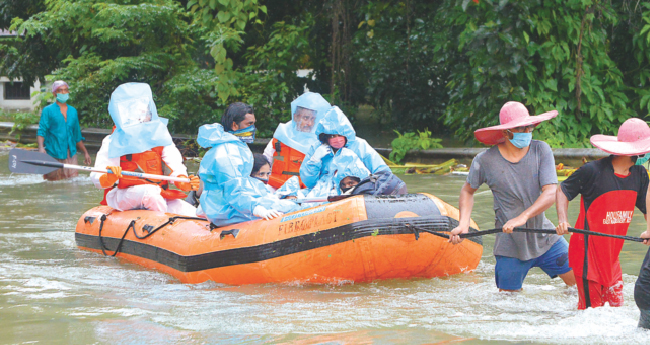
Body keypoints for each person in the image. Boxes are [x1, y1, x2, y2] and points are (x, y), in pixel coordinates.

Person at [449, 101, 575, 292]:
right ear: (506, 132)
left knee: (582, 284)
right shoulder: (484, 161)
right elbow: (467, 191)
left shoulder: (541, 150)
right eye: (520, 127)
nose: (526, 131)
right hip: (510, 245)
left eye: (529, 126)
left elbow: (551, 192)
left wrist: (523, 217)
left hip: (545, 236)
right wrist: (463, 224)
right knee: (508, 304)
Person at [556, 118, 650, 310]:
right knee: (592, 315)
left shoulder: (640, 175)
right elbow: (562, 190)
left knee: (617, 311)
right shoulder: (592, 171)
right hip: (587, 257)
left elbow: (647, 207)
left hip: (612, 259)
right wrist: (563, 220)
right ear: (637, 151)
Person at [89, 83, 199, 216]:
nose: (144, 118)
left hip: (158, 193)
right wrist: (109, 177)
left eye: (146, 114)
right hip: (124, 195)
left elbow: (175, 166)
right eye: (139, 115)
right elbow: (98, 178)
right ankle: (160, 226)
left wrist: (185, 182)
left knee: (192, 212)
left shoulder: (160, 137)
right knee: (150, 193)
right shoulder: (112, 141)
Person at [197, 103, 299, 227]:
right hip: (224, 209)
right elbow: (234, 191)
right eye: (249, 124)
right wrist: (256, 208)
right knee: (290, 208)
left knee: (290, 204)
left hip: (232, 203)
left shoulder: (236, 146)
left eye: (253, 124)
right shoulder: (227, 154)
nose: (253, 128)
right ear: (234, 125)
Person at [299, 106, 390, 189]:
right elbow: (309, 183)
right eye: (332, 136)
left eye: (339, 135)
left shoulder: (360, 146)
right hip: (322, 195)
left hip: (356, 193)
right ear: (325, 136)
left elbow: (383, 173)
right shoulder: (316, 148)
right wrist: (314, 160)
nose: (336, 139)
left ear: (346, 133)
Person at [264, 92, 331, 189]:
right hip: (276, 192)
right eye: (306, 118)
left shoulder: (320, 144)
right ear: (295, 117)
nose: (310, 123)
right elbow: (262, 168)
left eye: (313, 119)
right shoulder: (280, 139)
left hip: (305, 196)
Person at [37, 80, 92, 180]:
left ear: (68, 92)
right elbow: (42, 130)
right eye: (60, 90)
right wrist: (41, 147)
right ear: (54, 93)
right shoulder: (48, 110)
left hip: (71, 153)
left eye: (65, 90)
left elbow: (77, 135)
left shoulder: (73, 111)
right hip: (53, 152)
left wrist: (85, 152)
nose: (63, 92)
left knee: (72, 184)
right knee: (53, 184)